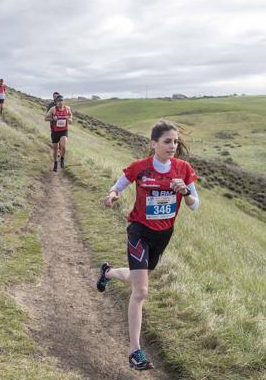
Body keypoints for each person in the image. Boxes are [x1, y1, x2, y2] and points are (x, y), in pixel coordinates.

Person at [96, 120, 199, 371]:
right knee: (141, 291)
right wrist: (112, 196)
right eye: (167, 141)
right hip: (139, 232)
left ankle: (107, 272)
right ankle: (134, 351)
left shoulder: (183, 169)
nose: (172, 146)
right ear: (153, 143)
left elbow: (195, 204)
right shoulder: (140, 168)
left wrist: (185, 192)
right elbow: (118, 186)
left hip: (163, 235)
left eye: (175, 141)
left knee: (134, 278)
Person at [44, 95, 71, 170]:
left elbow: (70, 116)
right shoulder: (53, 109)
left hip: (64, 131)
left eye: (61, 101)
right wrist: (52, 118)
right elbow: (46, 118)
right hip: (55, 132)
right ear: (56, 103)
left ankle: (62, 159)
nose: (60, 103)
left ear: (63, 101)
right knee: (55, 150)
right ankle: (55, 163)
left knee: (63, 146)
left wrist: (70, 119)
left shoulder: (67, 108)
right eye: (58, 101)